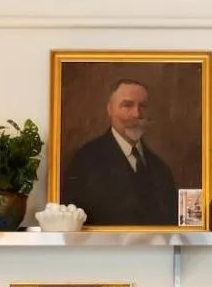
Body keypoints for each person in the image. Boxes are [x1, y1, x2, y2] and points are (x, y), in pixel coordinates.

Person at [60, 78, 179, 226]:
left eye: (143, 106)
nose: (136, 114)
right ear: (110, 109)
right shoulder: (85, 162)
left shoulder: (161, 170)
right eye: (127, 105)